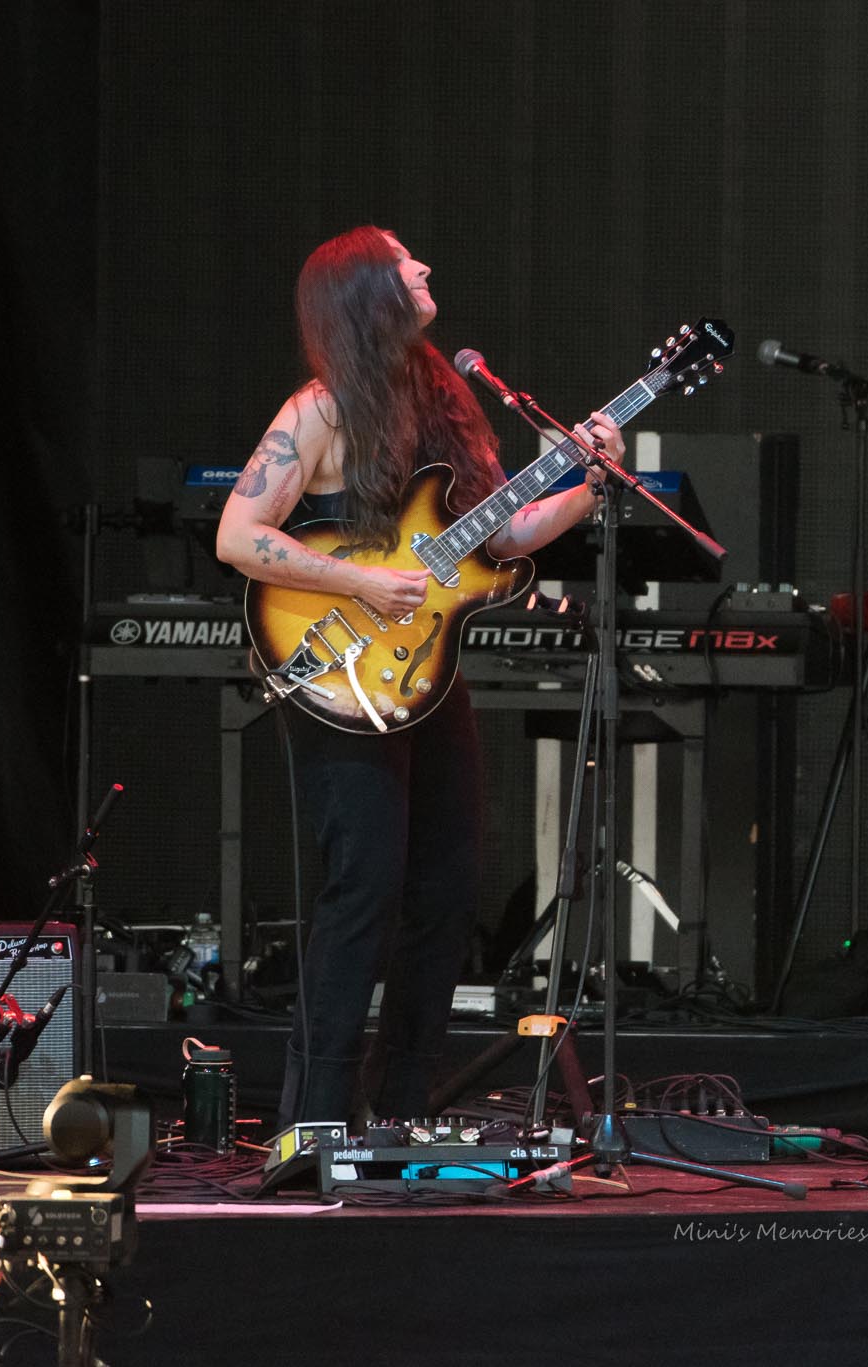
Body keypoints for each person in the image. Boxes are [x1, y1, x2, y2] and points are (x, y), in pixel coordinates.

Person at [215, 225, 623, 1128]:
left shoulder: (445, 397)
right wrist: (360, 581)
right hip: (337, 667)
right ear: (365, 292)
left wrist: (592, 481)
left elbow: (501, 535)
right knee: (363, 887)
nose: (425, 267)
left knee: (444, 889)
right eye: (404, 261)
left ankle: (399, 1109)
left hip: (428, 671)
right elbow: (238, 536)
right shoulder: (319, 410)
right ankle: (316, 1119)